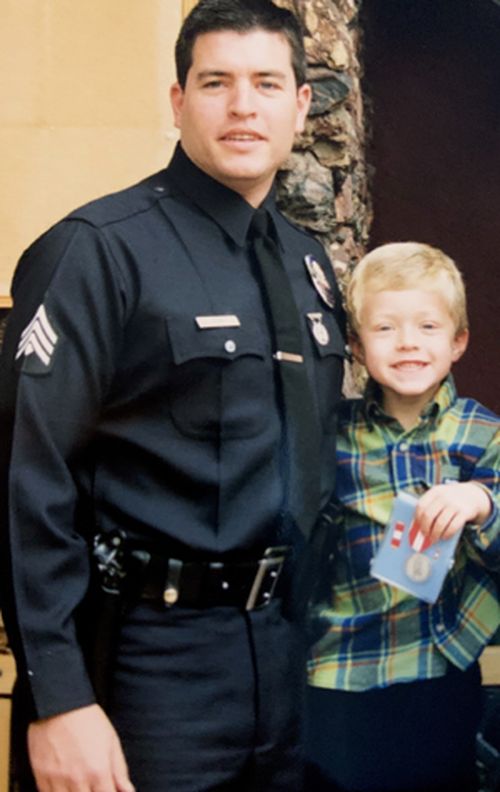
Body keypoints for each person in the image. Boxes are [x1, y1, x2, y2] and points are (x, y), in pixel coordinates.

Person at [0, 1, 347, 790]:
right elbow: (26, 476)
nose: (242, 105)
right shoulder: (100, 250)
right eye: (216, 81)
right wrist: (58, 697)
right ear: (178, 100)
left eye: (266, 82)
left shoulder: (308, 264)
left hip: (281, 654)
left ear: (300, 105)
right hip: (148, 664)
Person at [306, 242, 500, 792]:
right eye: (385, 328)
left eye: (428, 327)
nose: (408, 342)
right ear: (355, 344)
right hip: (337, 673)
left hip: (437, 670)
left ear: (458, 341)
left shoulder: (483, 435)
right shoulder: (331, 435)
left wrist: (482, 503)